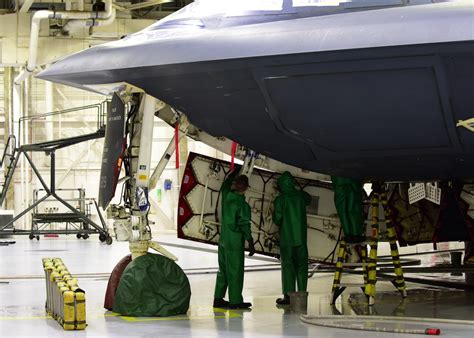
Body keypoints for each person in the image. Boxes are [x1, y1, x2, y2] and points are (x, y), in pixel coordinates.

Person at [213, 174, 255, 309]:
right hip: (235, 242)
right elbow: (244, 225)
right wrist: (250, 240)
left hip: (223, 240)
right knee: (235, 271)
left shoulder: (226, 197)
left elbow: (225, 186)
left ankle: (218, 299)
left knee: (223, 270)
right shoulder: (243, 205)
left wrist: (232, 174)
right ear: (246, 189)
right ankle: (235, 301)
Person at [273, 171, 311, 305]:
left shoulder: (280, 199)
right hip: (301, 238)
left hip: (287, 239)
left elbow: (277, 219)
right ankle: (302, 293)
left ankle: (288, 296)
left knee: (288, 266)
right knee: (302, 265)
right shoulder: (301, 196)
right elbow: (309, 199)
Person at [331, 176, 365, 243]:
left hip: (339, 180)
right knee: (354, 209)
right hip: (352, 177)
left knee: (342, 211)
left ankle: (348, 235)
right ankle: (356, 235)